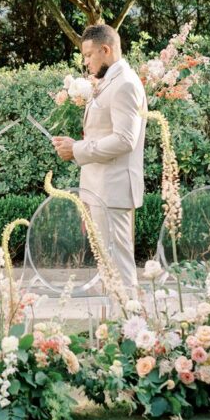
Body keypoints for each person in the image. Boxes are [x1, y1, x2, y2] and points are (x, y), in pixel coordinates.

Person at [51, 23, 147, 289]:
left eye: (89, 55)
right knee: (107, 264)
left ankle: (129, 325)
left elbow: (125, 139)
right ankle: (116, 326)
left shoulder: (125, 84)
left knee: (118, 265)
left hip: (113, 189)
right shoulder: (108, 83)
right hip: (99, 188)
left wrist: (77, 149)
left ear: (106, 50)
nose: (86, 62)